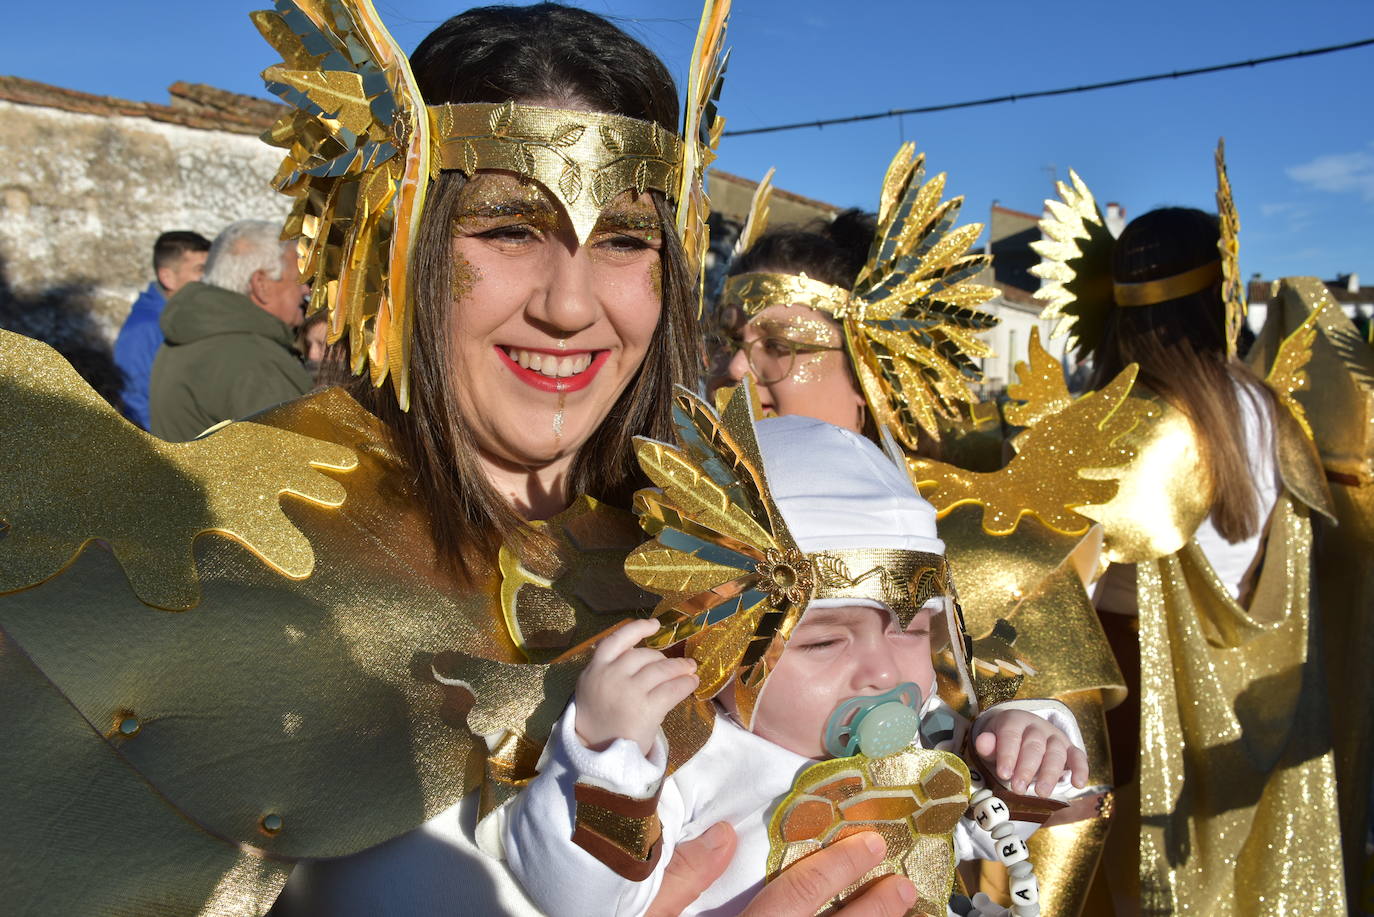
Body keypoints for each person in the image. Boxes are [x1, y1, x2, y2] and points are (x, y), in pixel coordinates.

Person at [3, 3, 901, 916]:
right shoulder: (212, 554)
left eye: (627, 239)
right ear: (401, 243)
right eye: (508, 227)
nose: (570, 304)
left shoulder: (724, 551)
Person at [712, 149, 1124, 916]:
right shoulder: (673, 522)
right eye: (732, 337)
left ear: (873, 364)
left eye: (781, 344)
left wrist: (1017, 740)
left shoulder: (987, 545)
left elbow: (1067, 813)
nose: (737, 367)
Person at [493, 410, 1088, 916]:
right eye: (824, 643)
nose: (883, 673)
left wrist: (1022, 747)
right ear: (713, 645)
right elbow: (578, 900)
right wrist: (608, 761)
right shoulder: (679, 763)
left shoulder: (929, 740)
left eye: (910, 628)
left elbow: (997, 826)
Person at [1032, 151, 1345, 914]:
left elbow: (1046, 598)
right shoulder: (1272, 413)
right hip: (1261, 709)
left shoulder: (1126, 429)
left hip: (1145, 734)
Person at [148, 219, 312, 440]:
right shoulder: (254, 361)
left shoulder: (190, 334)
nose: (306, 290)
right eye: (298, 279)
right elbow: (301, 463)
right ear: (261, 284)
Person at [113, 229, 210, 429]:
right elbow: (134, 397)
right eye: (200, 269)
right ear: (167, 277)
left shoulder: (188, 316)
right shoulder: (144, 328)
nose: (207, 278)